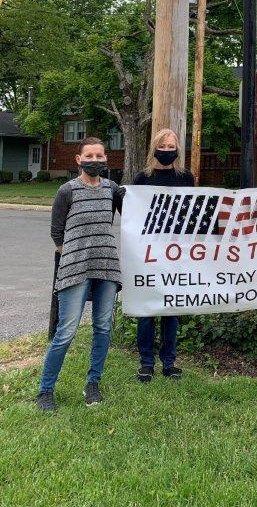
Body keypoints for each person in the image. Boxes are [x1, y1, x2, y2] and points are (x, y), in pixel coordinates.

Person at [36, 137, 124, 411]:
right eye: (89, 156)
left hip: (107, 265)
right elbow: (56, 231)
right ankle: (46, 390)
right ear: (78, 159)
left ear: (106, 159)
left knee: (102, 327)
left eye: (99, 156)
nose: (94, 160)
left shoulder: (112, 189)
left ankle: (93, 383)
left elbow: (136, 214)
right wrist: (72, 253)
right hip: (75, 267)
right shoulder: (67, 190)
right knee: (66, 331)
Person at [132, 128, 194, 382]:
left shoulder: (186, 178)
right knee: (147, 312)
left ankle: (169, 362)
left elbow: (192, 213)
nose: (167, 151)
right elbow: (133, 216)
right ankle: (146, 363)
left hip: (176, 254)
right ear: (154, 148)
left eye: (171, 147)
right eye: (163, 146)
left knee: (171, 310)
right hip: (148, 253)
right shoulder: (142, 179)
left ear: (178, 149)